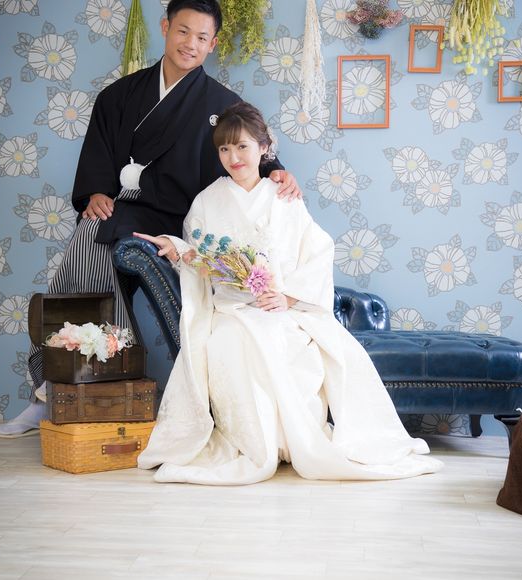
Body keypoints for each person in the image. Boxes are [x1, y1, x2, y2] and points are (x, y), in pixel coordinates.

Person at [0, 0, 300, 438]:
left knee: (95, 238)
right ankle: (58, 390)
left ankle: (67, 389)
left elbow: (249, 150)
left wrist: (277, 172)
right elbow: (99, 157)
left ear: (212, 45)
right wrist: (95, 193)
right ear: (165, 27)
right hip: (124, 206)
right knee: (91, 234)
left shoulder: (222, 104)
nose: (190, 44)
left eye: (201, 37)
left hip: (179, 217)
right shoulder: (120, 95)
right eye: (183, 31)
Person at [134, 102, 443, 484]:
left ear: (264, 148)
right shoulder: (207, 202)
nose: (233, 157)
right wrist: (175, 247)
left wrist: (289, 298)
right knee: (233, 343)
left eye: (242, 147)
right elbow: (201, 259)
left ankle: (292, 442)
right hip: (232, 311)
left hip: (280, 308)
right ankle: (259, 445)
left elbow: (317, 252)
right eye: (224, 149)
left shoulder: (283, 196)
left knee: (284, 340)